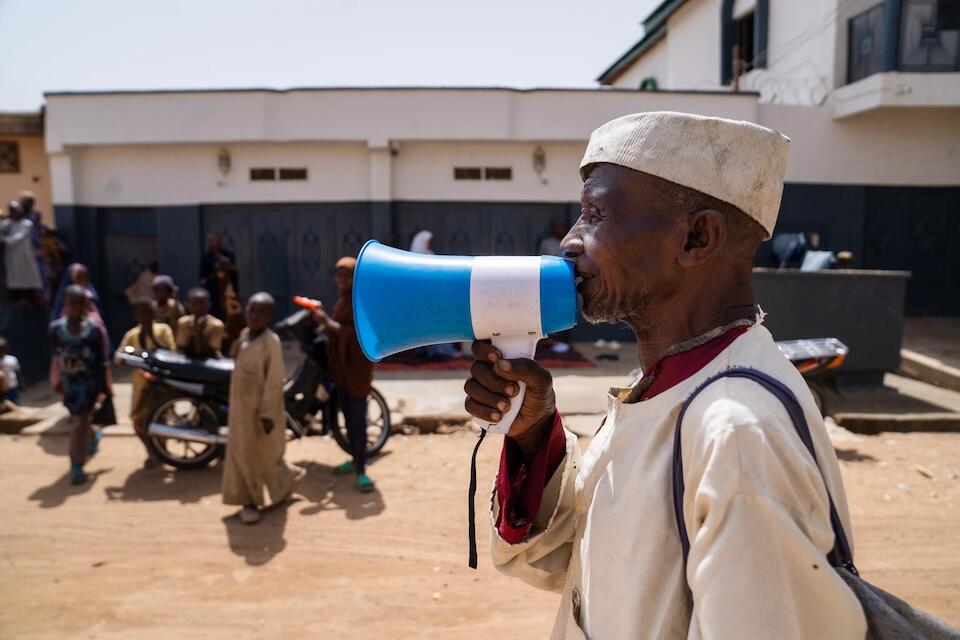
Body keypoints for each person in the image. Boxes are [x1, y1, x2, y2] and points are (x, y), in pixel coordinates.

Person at [462, 112, 867, 638]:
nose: (569, 241)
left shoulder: (737, 437)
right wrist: (534, 434)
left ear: (697, 238)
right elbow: (584, 564)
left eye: (595, 213)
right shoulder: (666, 388)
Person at [221, 293, 304, 524]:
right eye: (251, 310)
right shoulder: (245, 336)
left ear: (269, 317)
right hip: (240, 410)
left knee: (263, 456)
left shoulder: (271, 343)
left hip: (260, 411)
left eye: (261, 312)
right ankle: (254, 497)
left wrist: (267, 414)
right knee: (242, 454)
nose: (255, 316)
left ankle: (255, 501)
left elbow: (274, 380)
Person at [312, 257, 376, 493]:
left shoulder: (360, 303)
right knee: (348, 419)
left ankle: (362, 472)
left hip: (356, 371)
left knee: (358, 422)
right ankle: (354, 460)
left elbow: (354, 337)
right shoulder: (342, 302)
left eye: (346, 276)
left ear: (355, 278)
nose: (341, 280)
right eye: (338, 276)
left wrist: (326, 322)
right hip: (342, 370)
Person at [50, 285, 110, 485]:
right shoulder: (56, 330)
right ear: (65, 305)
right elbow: (56, 357)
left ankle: (76, 465)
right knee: (81, 421)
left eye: (80, 304)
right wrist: (57, 382)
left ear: (86, 306)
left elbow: (102, 361)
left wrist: (104, 387)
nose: (75, 308)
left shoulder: (94, 331)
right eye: (71, 303)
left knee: (79, 421)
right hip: (69, 385)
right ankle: (93, 434)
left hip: (89, 385)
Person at [115, 297, 176, 467]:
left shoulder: (163, 330)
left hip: (162, 384)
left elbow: (172, 353)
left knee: (162, 419)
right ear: (136, 315)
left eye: (148, 312)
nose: (145, 316)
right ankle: (152, 451)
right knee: (138, 421)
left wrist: (152, 338)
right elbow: (119, 359)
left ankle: (162, 451)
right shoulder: (132, 335)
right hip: (141, 385)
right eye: (141, 313)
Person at [0, 201, 44, 299]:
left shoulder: (26, 223)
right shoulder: (7, 223)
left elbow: (18, 237)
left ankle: (30, 295)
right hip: (12, 255)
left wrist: (5, 240)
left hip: (24, 255)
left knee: (27, 276)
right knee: (14, 276)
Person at [177, 287, 225, 359]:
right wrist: (193, 333)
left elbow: (211, 353)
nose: (198, 307)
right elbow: (182, 349)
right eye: (194, 304)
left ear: (209, 304)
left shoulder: (216, 325)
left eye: (202, 303)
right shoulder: (183, 322)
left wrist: (199, 333)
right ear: (188, 305)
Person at [200, 232, 238, 320]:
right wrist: (216, 272)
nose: (216, 242)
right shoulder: (206, 258)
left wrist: (227, 266)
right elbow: (203, 280)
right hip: (213, 295)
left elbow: (235, 271)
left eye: (218, 239)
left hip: (229, 293)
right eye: (213, 240)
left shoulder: (228, 255)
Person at [19, 191, 48, 297]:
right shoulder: (22, 215)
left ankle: (39, 295)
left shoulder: (34, 214)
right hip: (29, 247)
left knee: (38, 272)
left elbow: (39, 228)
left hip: (34, 247)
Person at [0, 337, 25, 405]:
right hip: (2, 389)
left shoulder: (12, 359)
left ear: (6, 348)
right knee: (6, 404)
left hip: (13, 385)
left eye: (2, 349)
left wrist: (21, 383)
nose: (1, 351)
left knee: (16, 401)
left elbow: (18, 372)